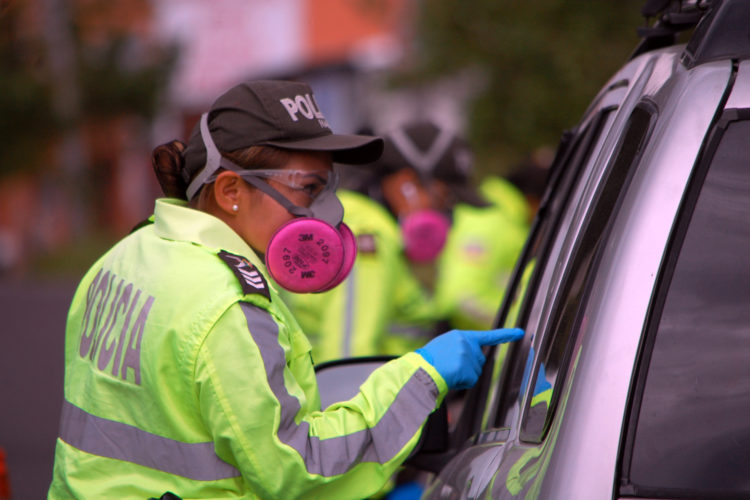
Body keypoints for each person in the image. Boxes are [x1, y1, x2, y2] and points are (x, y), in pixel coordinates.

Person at [47, 80, 524, 499]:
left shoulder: (125, 256)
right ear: (231, 191)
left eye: (327, 189)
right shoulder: (228, 302)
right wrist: (423, 376)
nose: (325, 213)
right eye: (308, 189)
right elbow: (297, 468)